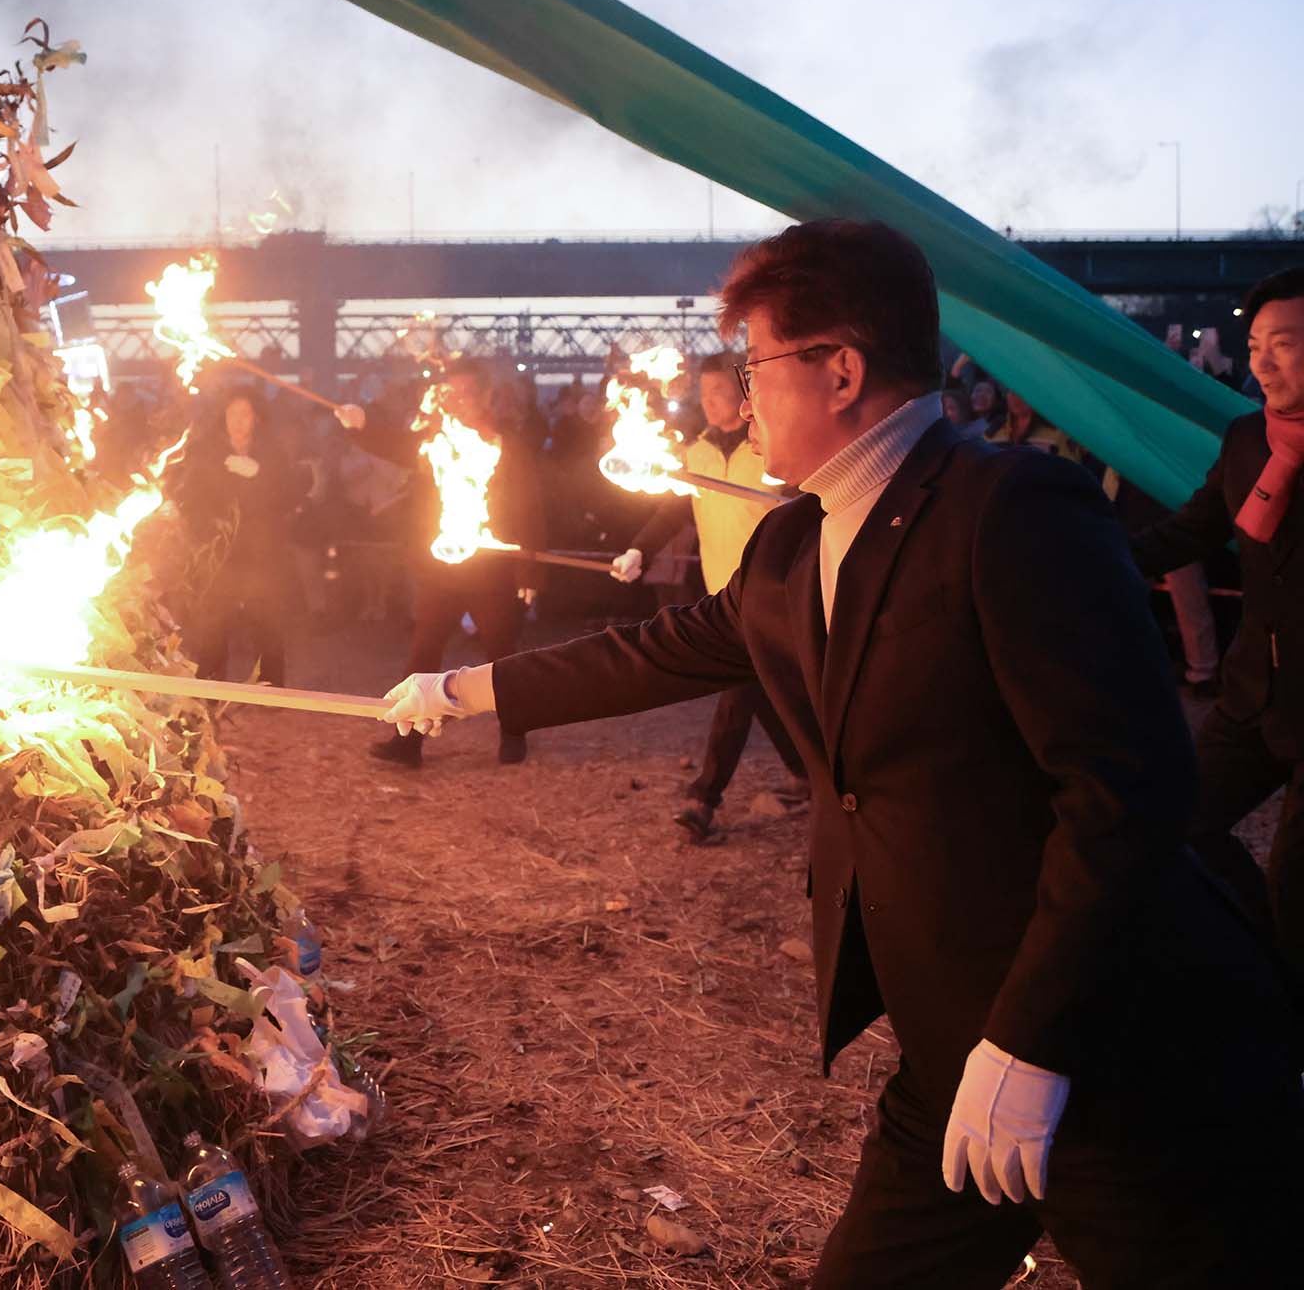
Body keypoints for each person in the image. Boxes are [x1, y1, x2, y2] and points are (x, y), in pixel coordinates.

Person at [383, 220, 1303, 1286]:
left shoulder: (1009, 510)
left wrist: (1033, 1043)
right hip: (950, 1045)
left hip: (1123, 1055)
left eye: (752, 365)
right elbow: (658, 651)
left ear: (840, 370)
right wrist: (462, 688)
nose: (736, 391)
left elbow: (1125, 794)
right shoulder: (792, 542)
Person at [1128, 267, 1304, 975]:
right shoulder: (1246, 438)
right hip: (1253, 692)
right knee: (1176, 824)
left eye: (1285, 343)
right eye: (1255, 343)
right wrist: (1082, 554)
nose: (1261, 361)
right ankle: (1270, 960)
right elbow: (1193, 531)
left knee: (1296, 886)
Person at [610, 351, 807, 842]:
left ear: (745, 396)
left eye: (721, 393)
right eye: (704, 394)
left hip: (775, 591)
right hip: (723, 593)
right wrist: (639, 549)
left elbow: (812, 508)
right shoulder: (696, 453)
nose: (711, 403)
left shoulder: (770, 452)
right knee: (762, 688)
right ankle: (807, 772)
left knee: (741, 687)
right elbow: (675, 511)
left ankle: (703, 797)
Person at [337, 363, 546, 767]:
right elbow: (397, 445)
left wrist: (529, 571)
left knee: (500, 653)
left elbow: (530, 509)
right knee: (423, 650)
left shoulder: (506, 446)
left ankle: (515, 730)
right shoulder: (437, 440)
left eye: (465, 392)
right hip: (442, 567)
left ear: (484, 396)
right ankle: (409, 741)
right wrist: (361, 425)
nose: (456, 401)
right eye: (449, 393)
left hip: (490, 569)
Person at [168, 386, 308, 685]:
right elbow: (191, 497)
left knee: (268, 620)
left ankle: (270, 686)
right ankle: (210, 685)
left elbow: (288, 494)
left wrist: (260, 475)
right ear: (224, 417)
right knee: (214, 620)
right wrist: (205, 531)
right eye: (233, 414)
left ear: (256, 418)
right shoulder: (208, 453)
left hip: (263, 551)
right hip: (221, 552)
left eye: (245, 414)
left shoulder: (271, 453)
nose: (239, 421)